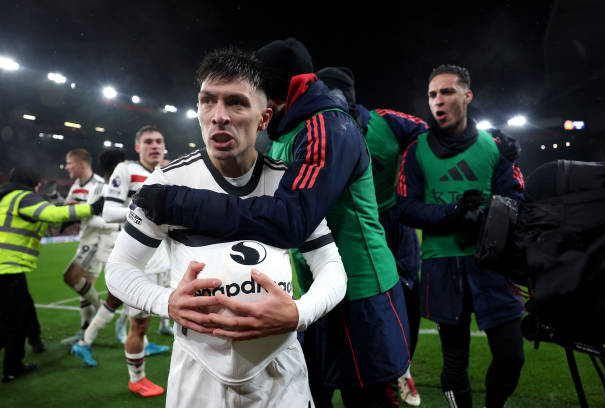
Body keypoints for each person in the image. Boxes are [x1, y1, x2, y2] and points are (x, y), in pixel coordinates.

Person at [134, 38, 411, 407]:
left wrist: (180, 202)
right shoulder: (287, 132)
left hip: (360, 291)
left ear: (278, 91)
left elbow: (290, 220)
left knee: (369, 400)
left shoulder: (327, 126)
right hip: (309, 290)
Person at [106, 47, 347, 407]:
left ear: (264, 118)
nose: (219, 117)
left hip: (281, 374)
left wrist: (300, 312)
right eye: (207, 102)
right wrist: (165, 301)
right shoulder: (166, 183)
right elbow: (120, 268)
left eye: (235, 103)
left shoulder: (287, 184)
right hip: (197, 375)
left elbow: (331, 267)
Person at [395, 64, 525, 408]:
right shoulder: (417, 149)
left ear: (467, 96)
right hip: (441, 265)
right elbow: (404, 208)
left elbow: (516, 201)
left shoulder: (495, 148)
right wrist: (452, 213)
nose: (438, 100)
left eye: (447, 92)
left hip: (492, 262)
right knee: (454, 361)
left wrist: (487, 216)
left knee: (512, 356)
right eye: (432, 94)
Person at [317, 66, 428, 406]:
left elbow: (427, 134)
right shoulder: (317, 131)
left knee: (405, 302)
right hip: (347, 228)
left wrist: (407, 180)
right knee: (347, 307)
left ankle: (399, 368)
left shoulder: (386, 122)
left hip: (392, 222)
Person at [0, 164, 102, 382]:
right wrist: (92, 208)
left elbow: (47, 212)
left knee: (25, 306)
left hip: (8, 267)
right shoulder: (22, 197)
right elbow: (52, 214)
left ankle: (35, 341)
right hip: (6, 267)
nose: (38, 188)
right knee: (12, 322)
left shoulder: (9, 196)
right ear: (31, 182)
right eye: (36, 184)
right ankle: (12, 368)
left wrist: (64, 206)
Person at [99, 125, 170, 397]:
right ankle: (136, 379)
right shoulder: (126, 170)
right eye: (149, 141)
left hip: (167, 257)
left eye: (159, 141)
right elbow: (107, 212)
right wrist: (142, 211)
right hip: (139, 260)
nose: (155, 145)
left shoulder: (168, 171)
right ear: (138, 146)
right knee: (139, 324)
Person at [70, 149, 126, 366]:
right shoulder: (100, 189)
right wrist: (118, 222)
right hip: (104, 248)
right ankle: (86, 341)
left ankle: (120, 333)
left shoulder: (120, 188)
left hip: (118, 247)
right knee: (120, 296)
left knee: (126, 298)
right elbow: (90, 219)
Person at [61, 148, 105, 343]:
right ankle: (85, 331)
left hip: (97, 240)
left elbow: (96, 214)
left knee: (71, 277)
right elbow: (73, 208)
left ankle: (102, 308)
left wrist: (74, 210)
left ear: (81, 164)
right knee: (85, 289)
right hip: (85, 238)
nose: (66, 167)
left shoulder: (100, 185)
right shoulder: (76, 185)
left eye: (69, 163)